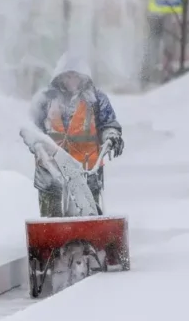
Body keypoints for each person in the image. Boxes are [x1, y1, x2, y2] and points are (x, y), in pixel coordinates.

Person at [29, 55, 124, 216]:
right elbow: (30, 127)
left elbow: (108, 124)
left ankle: (89, 240)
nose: (72, 80)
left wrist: (111, 136)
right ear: (59, 77)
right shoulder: (45, 99)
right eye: (67, 76)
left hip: (87, 173)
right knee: (51, 225)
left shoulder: (96, 99)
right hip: (51, 172)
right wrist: (36, 144)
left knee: (88, 218)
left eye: (76, 76)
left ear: (83, 78)